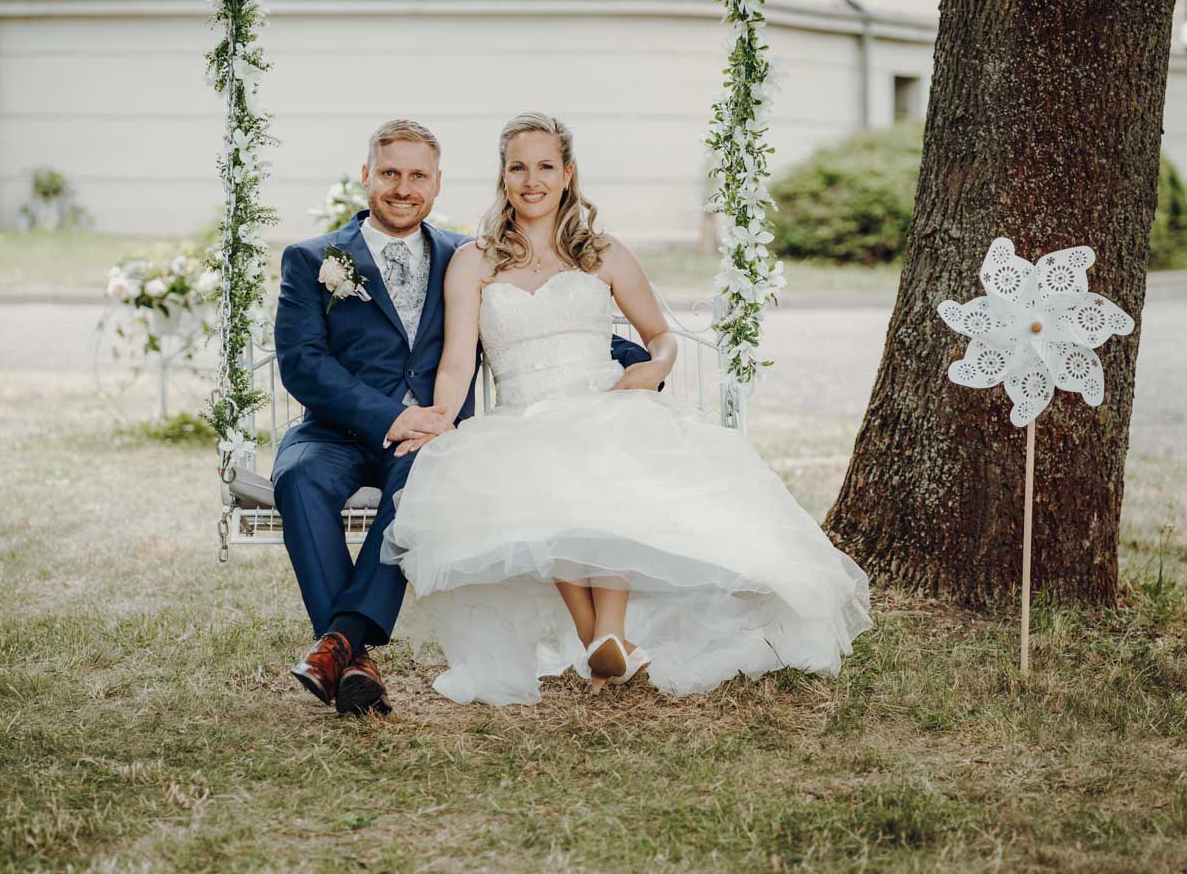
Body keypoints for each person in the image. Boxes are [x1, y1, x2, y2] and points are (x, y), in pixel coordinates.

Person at [380, 112, 873, 706]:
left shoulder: (603, 252)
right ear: (502, 177)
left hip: (604, 399)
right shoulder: (475, 261)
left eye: (544, 166)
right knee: (536, 476)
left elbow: (658, 334)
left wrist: (655, 367)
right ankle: (602, 641)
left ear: (567, 174)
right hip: (524, 414)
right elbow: (458, 361)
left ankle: (606, 634)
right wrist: (437, 416)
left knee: (601, 462)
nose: (531, 180)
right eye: (518, 167)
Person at [272, 119, 653, 716]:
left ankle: (335, 649)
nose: (403, 187)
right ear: (366, 175)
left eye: (418, 175)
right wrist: (392, 419)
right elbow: (302, 364)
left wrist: (626, 367)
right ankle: (349, 649)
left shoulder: (466, 254)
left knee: (422, 481)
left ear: (438, 184)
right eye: (390, 173)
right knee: (299, 479)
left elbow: (545, 322)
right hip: (337, 430)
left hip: (435, 432)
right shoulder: (313, 258)